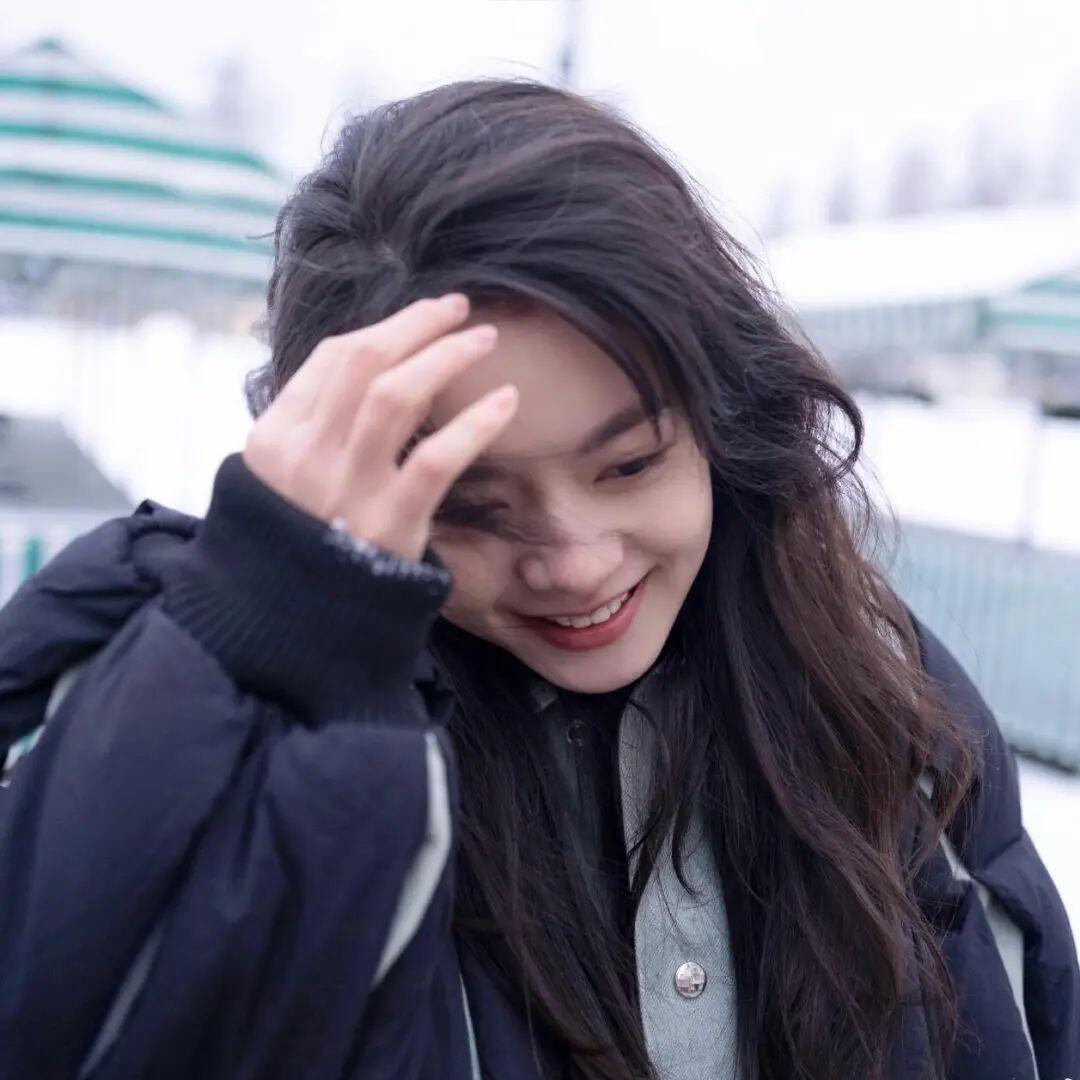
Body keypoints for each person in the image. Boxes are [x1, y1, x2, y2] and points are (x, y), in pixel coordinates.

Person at [0, 79, 1075, 1080]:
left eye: (631, 464)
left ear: (725, 421)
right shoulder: (183, 669)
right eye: (471, 506)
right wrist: (273, 640)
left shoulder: (882, 694)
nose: (575, 561)